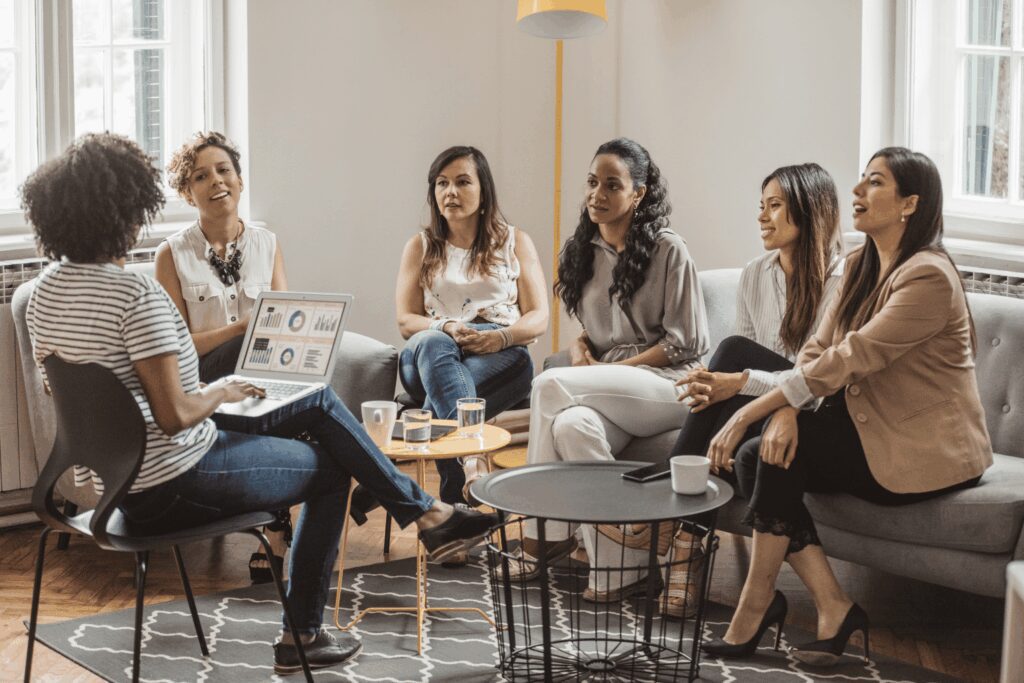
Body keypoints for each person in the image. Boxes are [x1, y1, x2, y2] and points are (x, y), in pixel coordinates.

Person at [21, 133, 496, 676]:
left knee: (316, 402)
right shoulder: (135, 296)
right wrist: (221, 391)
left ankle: (425, 513)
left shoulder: (44, 292)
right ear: (121, 209)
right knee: (330, 469)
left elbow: (74, 394)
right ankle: (307, 632)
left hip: (117, 483)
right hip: (174, 480)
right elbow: (175, 413)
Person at [701, 147, 992, 665]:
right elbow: (818, 348)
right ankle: (833, 605)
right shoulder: (861, 264)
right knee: (758, 456)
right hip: (869, 428)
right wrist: (786, 410)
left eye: (874, 183)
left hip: (927, 452)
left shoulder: (928, 277)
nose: (856, 191)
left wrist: (750, 410)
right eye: (861, 180)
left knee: (767, 448)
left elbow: (853, 357)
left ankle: (755, 606)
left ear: (909, 204)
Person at [518, 137, 710, 602]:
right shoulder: (583, 252)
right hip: (611, 388)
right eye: (591, 183)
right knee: (571, 426)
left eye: (611, 184)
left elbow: (686, 342)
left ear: (639, 193)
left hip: (671, 386)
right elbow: (591, 331)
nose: (596, 194)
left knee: (549, 383)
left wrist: (605, 367)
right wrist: (584, 351)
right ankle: (619, 571)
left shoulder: (668, 250)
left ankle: (542, 535)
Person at [660, 163, 843, 618]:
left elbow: (818, 381)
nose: (762, 216)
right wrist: (727, 383)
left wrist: (739, 382)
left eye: (775, 206)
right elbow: (745, 367)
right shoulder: (756, 273)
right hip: (771, 405)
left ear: (808, 210)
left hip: (818, 412)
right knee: (724, 367)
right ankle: (685, 535)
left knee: (732, 353)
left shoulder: (842, 279)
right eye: (761, 206)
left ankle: (677, 525)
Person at [155, 131, 289, 584]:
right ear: (186, 192)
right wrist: (237, 330)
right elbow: (173, 348)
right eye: (200, 176)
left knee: (290, 386)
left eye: (224, 170)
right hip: (204, 377)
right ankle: (282, 522)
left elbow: (284, 323)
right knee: (248, 358)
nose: (216, 181)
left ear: (240, 179)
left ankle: (275, 531)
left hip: (263, 371)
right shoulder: (171, 254)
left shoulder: (268, 244)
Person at [396, 145, 549, 507]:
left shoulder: (514, 242)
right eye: (442, 183)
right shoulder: (420, 246)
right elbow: (406, 320)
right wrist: (447, 326)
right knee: (434, 345)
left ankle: (455, 505)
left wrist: (501, 338)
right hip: (426, 355)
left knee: (447, 397)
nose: (451, 192)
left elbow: (538, 316)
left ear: (484, 192)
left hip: (497, 353)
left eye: (463, 182)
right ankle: (473, 461)